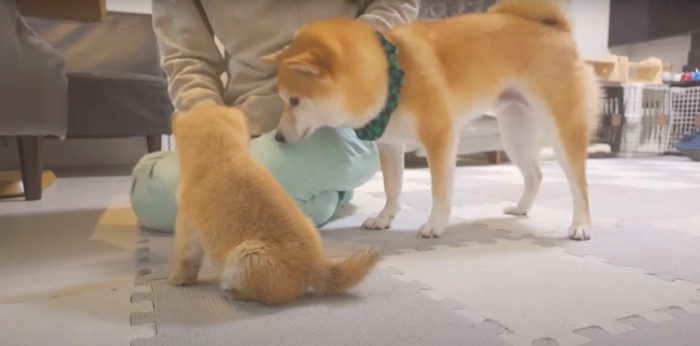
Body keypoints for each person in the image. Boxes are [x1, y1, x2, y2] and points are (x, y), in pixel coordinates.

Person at [130, 0, 420, 232]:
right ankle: (316, 191)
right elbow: (187, 60)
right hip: (246, 122)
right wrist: (211, 126)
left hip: (341, 117)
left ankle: (313, 183)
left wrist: (341, 48)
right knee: (153, 198)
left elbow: (396, 4)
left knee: (205, 201)